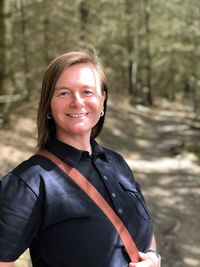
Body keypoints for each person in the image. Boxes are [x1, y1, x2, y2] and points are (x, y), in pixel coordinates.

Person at [0, 47, 161, 267]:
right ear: (49, 104)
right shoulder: (29, 182)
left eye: (87, 92)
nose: (77, 102)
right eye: (64, 92)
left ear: (103, 100)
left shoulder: (117, 163)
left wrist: (152, 257)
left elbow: (145, 231)